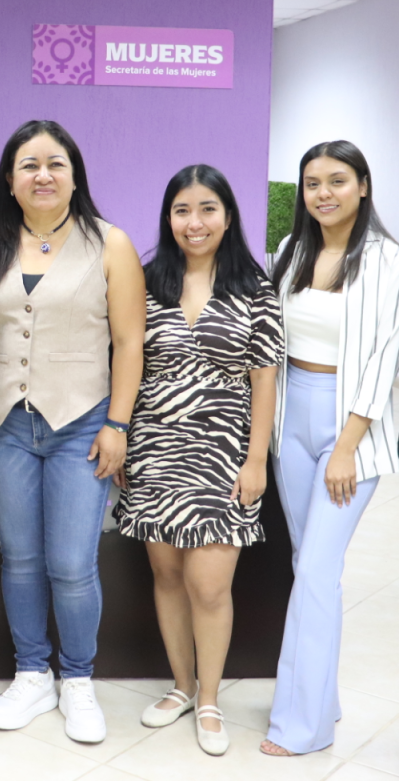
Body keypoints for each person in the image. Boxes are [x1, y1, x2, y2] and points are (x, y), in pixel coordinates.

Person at [0, 120, 144, 743]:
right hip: (6, 423)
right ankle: (32, 674)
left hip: (82, 423)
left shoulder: (110, 243)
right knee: (20, 560)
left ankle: (79, 680)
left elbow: (129, 343)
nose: (43, 175)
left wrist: (118, 423)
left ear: (74, 176)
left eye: (55, 164)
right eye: (29, 165)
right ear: (9, 181)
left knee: (71, 563)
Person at [113, 164, 282, 756]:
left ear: (227, 216)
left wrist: (256, 459)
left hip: (223, 454)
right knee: (166, 577)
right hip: (154, 448)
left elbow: (265, 379)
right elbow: (126, 361)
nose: (195, 222)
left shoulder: (255, 289)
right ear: (169, 218)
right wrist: (122, 435)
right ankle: (181, 686)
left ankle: (210, 698)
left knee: (208, 586)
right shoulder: (145, 281)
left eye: (207, 209)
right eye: (182, 210)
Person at [260, 141, 399, 757]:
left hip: (349, 426)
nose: (323, 193)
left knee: (319, 570)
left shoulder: (391, 262)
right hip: (290, 419)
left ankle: (302, 726)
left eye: (337, 180)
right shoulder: (291, 251)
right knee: (308, 564)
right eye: (312, 183)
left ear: (363, 186)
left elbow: (384, 360)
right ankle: (321, 696)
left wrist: (347, 446)